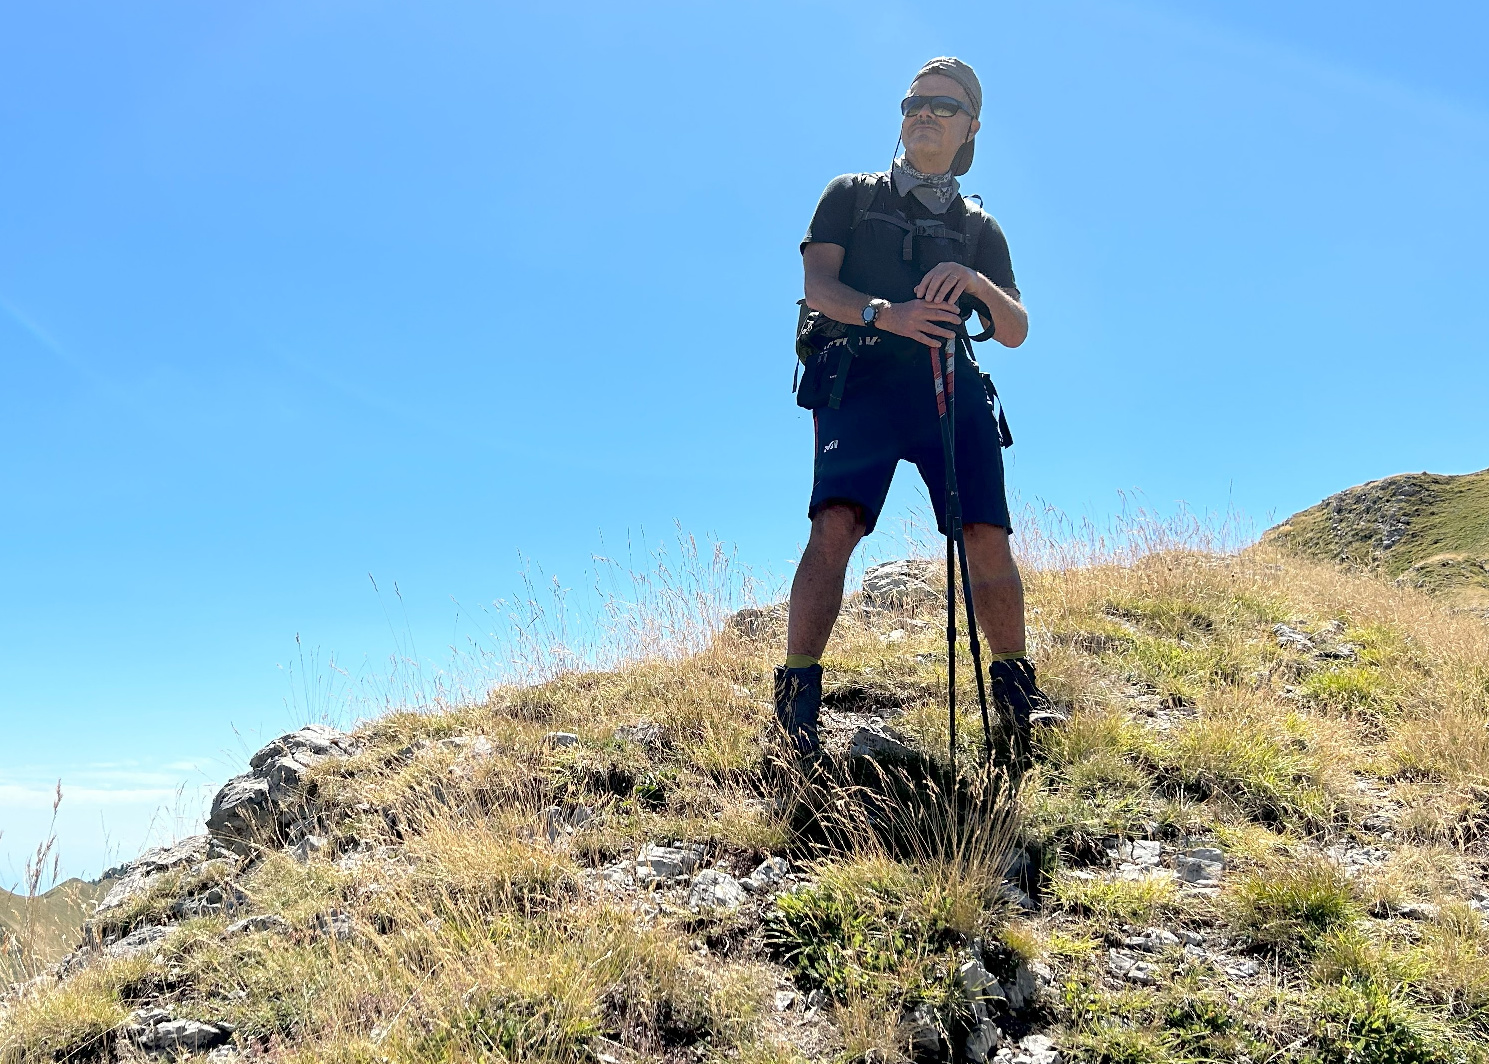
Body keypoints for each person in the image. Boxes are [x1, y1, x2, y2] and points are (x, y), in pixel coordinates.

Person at [775, 56, 1057, 770]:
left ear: (970, 127)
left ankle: (1018, 696)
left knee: (985, 535)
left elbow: (1016, 328)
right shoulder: (850, 193)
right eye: (913, 102)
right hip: (859, 381)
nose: (922, 113)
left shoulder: (978, 228)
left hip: (948, 386)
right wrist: (884, 315)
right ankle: (796, 697)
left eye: (941, 105)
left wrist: (972, 280)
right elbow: (816, 287)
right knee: (834, 524)